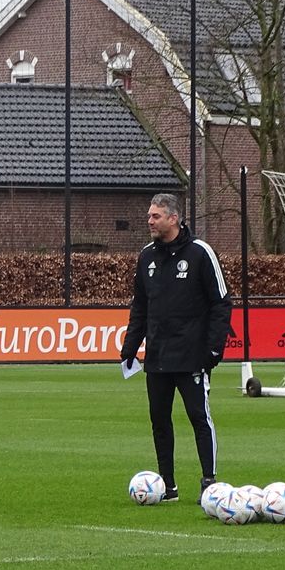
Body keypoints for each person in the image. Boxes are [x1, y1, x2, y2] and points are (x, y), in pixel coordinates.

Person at [119, 193, 232, 503]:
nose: (149, 221)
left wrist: (213, 350)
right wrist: (131, 347)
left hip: (192, 355)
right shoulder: (146, 257)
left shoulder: (200, 253)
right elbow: (140, 305)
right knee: (159, 420)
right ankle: (167, 486)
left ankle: (209, 482)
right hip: (157, 356)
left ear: (173, 218)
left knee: (199, 417)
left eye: (155, 216)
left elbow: (221, 303)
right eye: (149, 216)